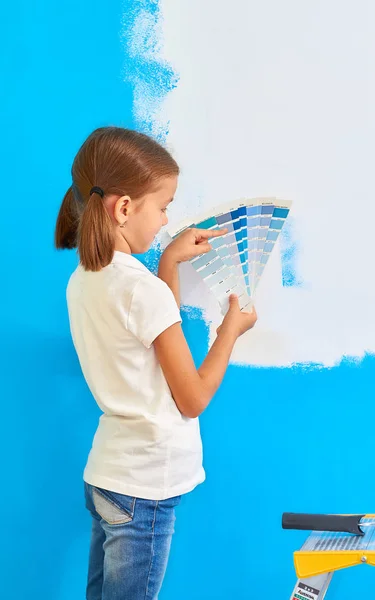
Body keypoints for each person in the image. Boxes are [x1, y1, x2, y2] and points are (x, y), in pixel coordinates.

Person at [55, 126, 257, 600]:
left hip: (107, 476)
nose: (167, 219)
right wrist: (231, 328)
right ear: (124, 208)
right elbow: (192, 398)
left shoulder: (85, 278)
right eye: (163, 206)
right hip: (144, 488)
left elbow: (141, 335)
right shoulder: (140, 291)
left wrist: (168, 264)